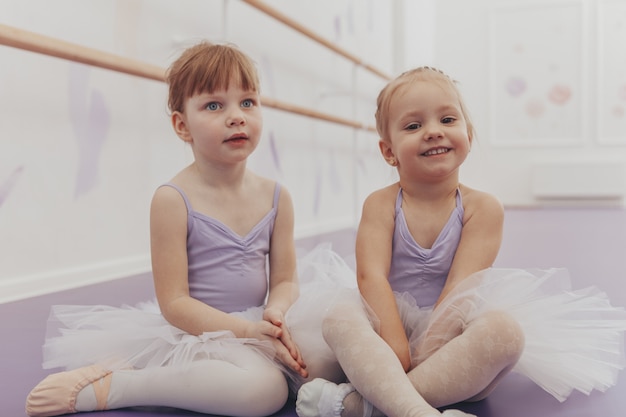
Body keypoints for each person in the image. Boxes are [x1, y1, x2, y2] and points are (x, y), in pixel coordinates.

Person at [25, 40, 344, 417]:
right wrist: (242, 333)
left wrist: (274, 312)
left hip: (256, 320)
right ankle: (119, 385)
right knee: (264, 391)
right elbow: (174, 303)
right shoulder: (172, 199)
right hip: (200, 329)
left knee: (331, 361)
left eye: (247, 102)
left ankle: (224, 375)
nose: (236, 116)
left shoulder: (277, 196)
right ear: (182, 125)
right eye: (214, 105)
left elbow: (287, 280)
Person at [295, 67, 626, 417]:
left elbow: (460, 288)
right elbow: (371, 278)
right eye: (413, 126)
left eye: (447, 119)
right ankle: (417, 409)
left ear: (468, 133)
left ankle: (365, 404)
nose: (433, 132)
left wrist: (427, 355)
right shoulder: (380, 204)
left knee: (507, 334)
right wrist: (395, 347)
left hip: (448, 330)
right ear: (388, 151)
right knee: (338, 318)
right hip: (385, 325)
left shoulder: (482, 208)